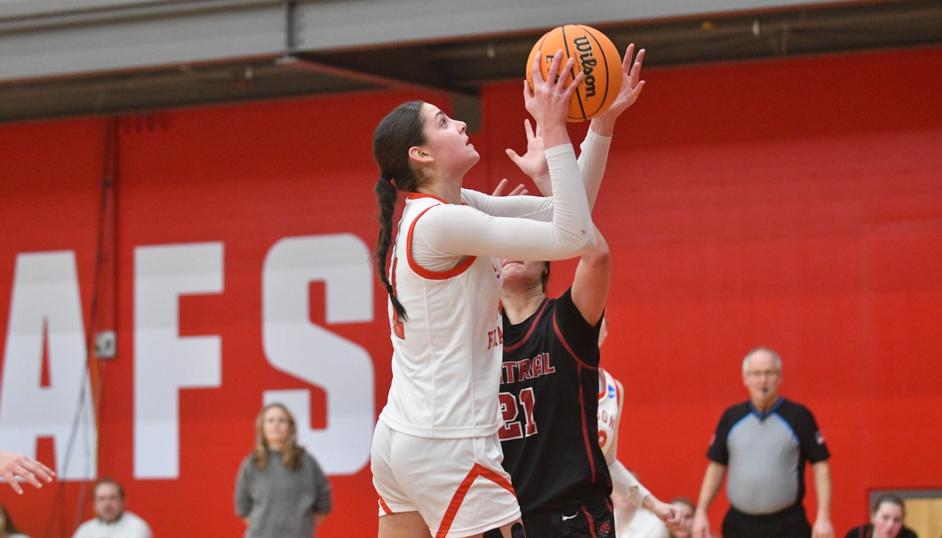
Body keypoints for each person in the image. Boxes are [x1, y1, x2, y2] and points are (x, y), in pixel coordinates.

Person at [370, 49, 595, 538]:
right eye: (445, 121)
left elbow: (574, 212)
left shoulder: (451, 206)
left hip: (401, 436)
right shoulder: (442, 223)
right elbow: (573, 237)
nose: (462, 125)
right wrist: (554, 129)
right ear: (421, 154)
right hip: (449, 442)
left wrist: (601, 126)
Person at [497, 43, 682, 537]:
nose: (509, 247)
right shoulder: (477, 332)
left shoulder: (566, 322)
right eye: (500, 241)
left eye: (524, 238)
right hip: (497, 519)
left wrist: (590, 134)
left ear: (547, 261)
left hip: (570, 517)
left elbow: (592, 249)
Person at [691, 347, 834, 538]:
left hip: (788, 526)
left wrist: (823, 516)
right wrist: (701, 511)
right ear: (745, 378)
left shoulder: (799, 416)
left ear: (780, 377)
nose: (763, 380)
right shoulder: (731, 417)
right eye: (756, 374)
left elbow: (821, 466)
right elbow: (716, 466)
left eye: (769, 373)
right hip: (739, 527)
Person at [235, 403, 332, 538]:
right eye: (270, 420)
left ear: (290, 427)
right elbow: (243, 507)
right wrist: (262, 528)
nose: (276, 425)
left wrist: (302, 527)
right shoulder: (251, 464)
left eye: (281, 420)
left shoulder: (306, 462)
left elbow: (323, 501)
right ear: (262, 428)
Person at [73, 478, 152, 538]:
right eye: (101, 499)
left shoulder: (136, 527)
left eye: (112, 498)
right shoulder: (85, 530)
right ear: (94, 504)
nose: (107, 504)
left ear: (123, 502)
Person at [845, 494, 918, 538]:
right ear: (873, 517)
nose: (890, 525)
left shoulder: (909, 536)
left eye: (897, 520)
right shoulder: (856, 535)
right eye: (885, 518)